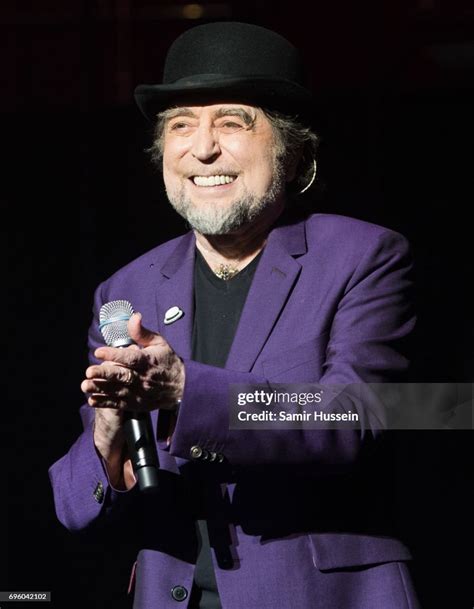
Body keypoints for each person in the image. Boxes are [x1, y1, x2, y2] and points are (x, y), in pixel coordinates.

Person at [49, 22, 421, 609]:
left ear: (294, 149)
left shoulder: (362, 257)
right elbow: (74, 507)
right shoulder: (127, 289)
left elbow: (357, 417)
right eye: (180, 126)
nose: (202, 148)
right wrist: (107, 433)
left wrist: (184, 390)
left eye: (231, 122)